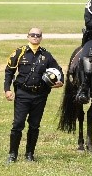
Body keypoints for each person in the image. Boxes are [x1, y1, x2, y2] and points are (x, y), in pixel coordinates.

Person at [4, 28, 64, 163]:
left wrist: (61, 82)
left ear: (41, 38)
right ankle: (12, 154)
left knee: (34, 125)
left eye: (38, 35)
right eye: (33, 35)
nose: (35, 37)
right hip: (23, 94)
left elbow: (58, 70)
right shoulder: (19, 53)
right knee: (18, 124)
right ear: (28, 37)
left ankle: (30, 154)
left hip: (40, 95)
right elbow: (9, 71)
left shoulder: (47, 55)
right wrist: (7, 89)